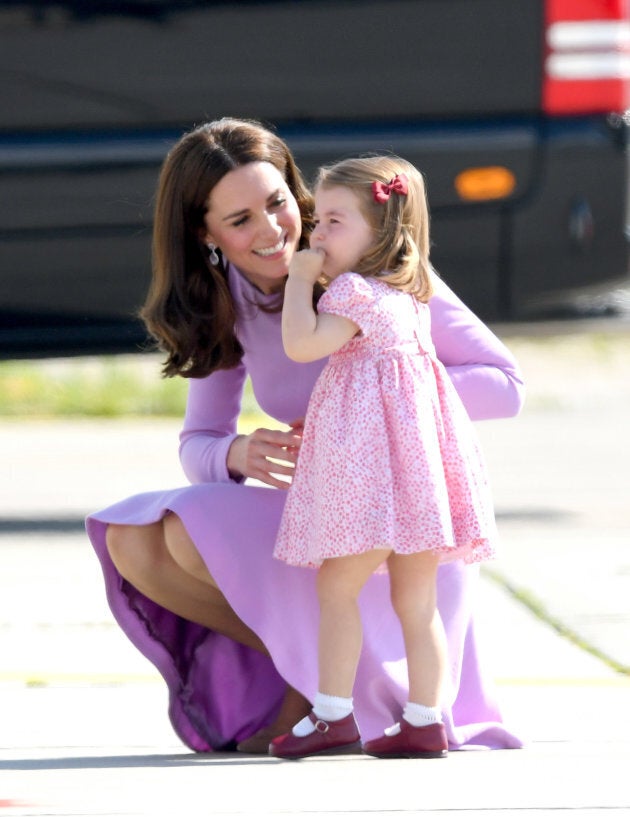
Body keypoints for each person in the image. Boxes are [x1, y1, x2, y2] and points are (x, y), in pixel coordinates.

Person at [85, 117, 525, 755]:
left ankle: (338, 701)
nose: (272, 231)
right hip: (320, 507)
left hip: (400, 517)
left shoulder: (369, 264)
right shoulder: (224, 301)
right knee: (137, 540)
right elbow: (198, 442)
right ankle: (315, 685)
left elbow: (505, 384)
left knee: (182, 533)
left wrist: (369, 409)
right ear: (204, 236)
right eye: (240, 221)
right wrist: (237, 452)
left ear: (297, 191)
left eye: (278, 202)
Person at [269, 156, 498, 760]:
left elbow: (300, 345)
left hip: (374, 485)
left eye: (334, 222)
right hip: (419, 483)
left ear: (382, 228)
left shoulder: (352, 293)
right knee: (416, 602)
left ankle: (333, 715)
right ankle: (427, 719)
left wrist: (297, 282)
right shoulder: (410, 295)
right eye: (318, 222)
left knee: (337, 589)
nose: (317, 236)